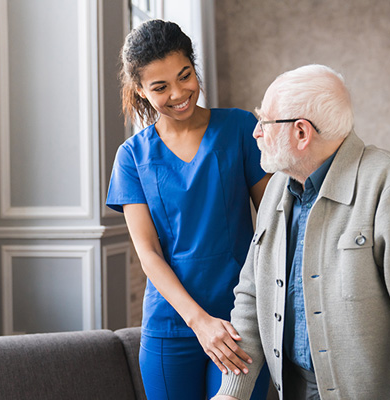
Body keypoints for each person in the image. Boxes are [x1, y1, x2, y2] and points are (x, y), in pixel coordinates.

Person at [210, 64, 390, 400]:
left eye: (265, 121)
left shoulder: (388, 184)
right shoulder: (276, 190)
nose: (256, 133)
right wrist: (232, 391)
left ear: (301, 133)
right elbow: (252, 294)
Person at [106, 20, 273, 400]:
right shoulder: (132, 156)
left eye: (185, 76)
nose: (179, 93)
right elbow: (148, 254)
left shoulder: (240, 128)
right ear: (141, 91)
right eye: (160, 87)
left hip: (240, 320)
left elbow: (272, 227)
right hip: (170, 326)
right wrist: (199, 323)